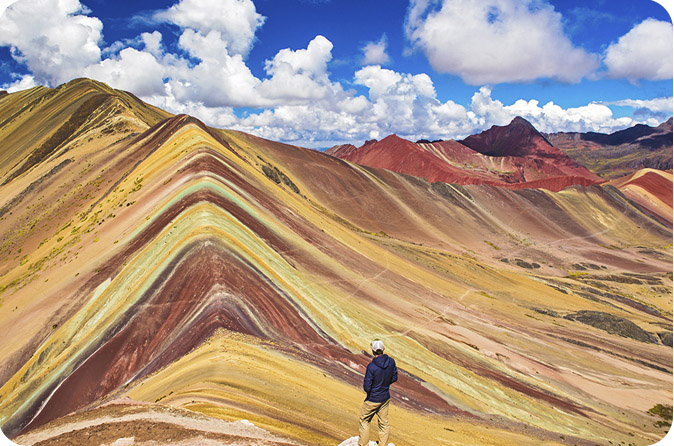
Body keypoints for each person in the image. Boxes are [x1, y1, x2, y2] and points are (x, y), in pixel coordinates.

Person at [358, 339, 398, 446]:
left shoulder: (371, 367)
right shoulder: (391, 362)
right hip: (385, 397)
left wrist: (374, 391)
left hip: (373, 399)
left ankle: (363, 444)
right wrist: (384, 385)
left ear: (372, 351)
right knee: (384, 424)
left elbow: (367, 386)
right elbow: (394, 378)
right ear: (383, 349)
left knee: (364, 420)